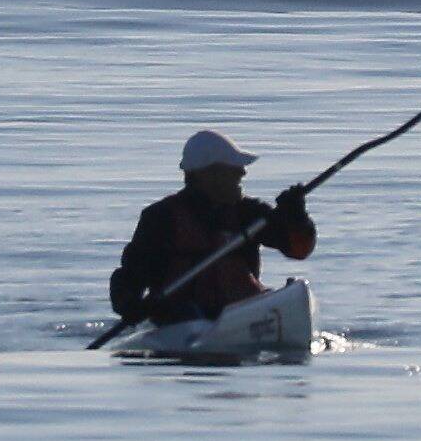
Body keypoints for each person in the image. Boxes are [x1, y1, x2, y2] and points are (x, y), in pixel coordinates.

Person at [108, 130, 315, 326]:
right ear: (208, 174)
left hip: (241, 313)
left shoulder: (249, 213)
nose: (242, 173)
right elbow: (130, 275)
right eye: (232, 168)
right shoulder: (161, 218)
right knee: (186, 312)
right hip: (181, 319)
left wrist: (296, 216)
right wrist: (130, 305)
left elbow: (299, 250)